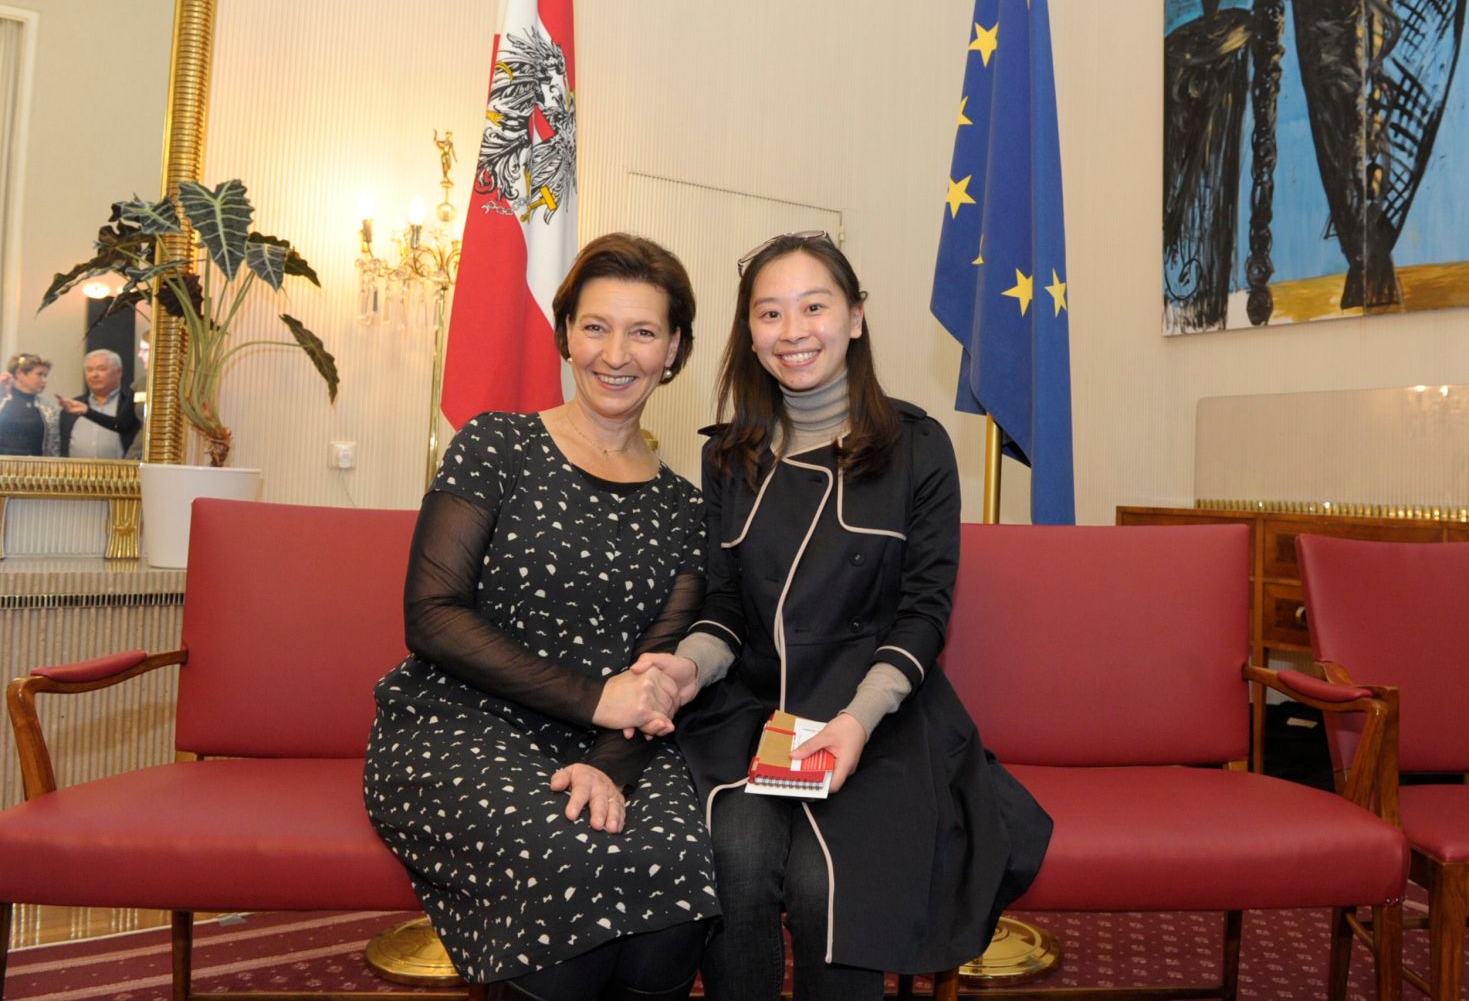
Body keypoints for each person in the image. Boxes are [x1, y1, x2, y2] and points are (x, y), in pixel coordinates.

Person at [637, 233, 1051, 1001]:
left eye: (814, 306)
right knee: (738, 859)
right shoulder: (730, 455)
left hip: (879, 720)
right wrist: (687, 666)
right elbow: (725, 608)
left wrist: (858, 723)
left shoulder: (917, 447)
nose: (792, 331)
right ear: (749, 332)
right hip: (754, 716)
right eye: (769, 313)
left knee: (831, 885)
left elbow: (925, 614)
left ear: (856, 317)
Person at [364, 233, 718, 1001]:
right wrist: (594, 698)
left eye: (643, 331)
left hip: (616, 743)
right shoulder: (497, 444)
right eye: (595, 326)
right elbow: (431, 615)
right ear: (564, 334)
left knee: (681, 884)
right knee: (567, 872)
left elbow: (653, 678)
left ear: (674, 349)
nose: (615, 353)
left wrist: (604, 759)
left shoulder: (690, 510)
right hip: (457, 726)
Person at [59, 349, 141, 459]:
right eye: (89, 370)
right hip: (76, 475)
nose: (94, 375)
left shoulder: (131, 405)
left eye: (101, 369)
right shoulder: (72, 407)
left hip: (123, 474)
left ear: (118, 372)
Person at [0, 353, 61, 456]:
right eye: (39, 374)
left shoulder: (49, 410)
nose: (44, 380)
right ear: (19, 373)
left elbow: (54, 448)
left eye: (45, 376)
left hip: (37, 469)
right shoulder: (2, 403)